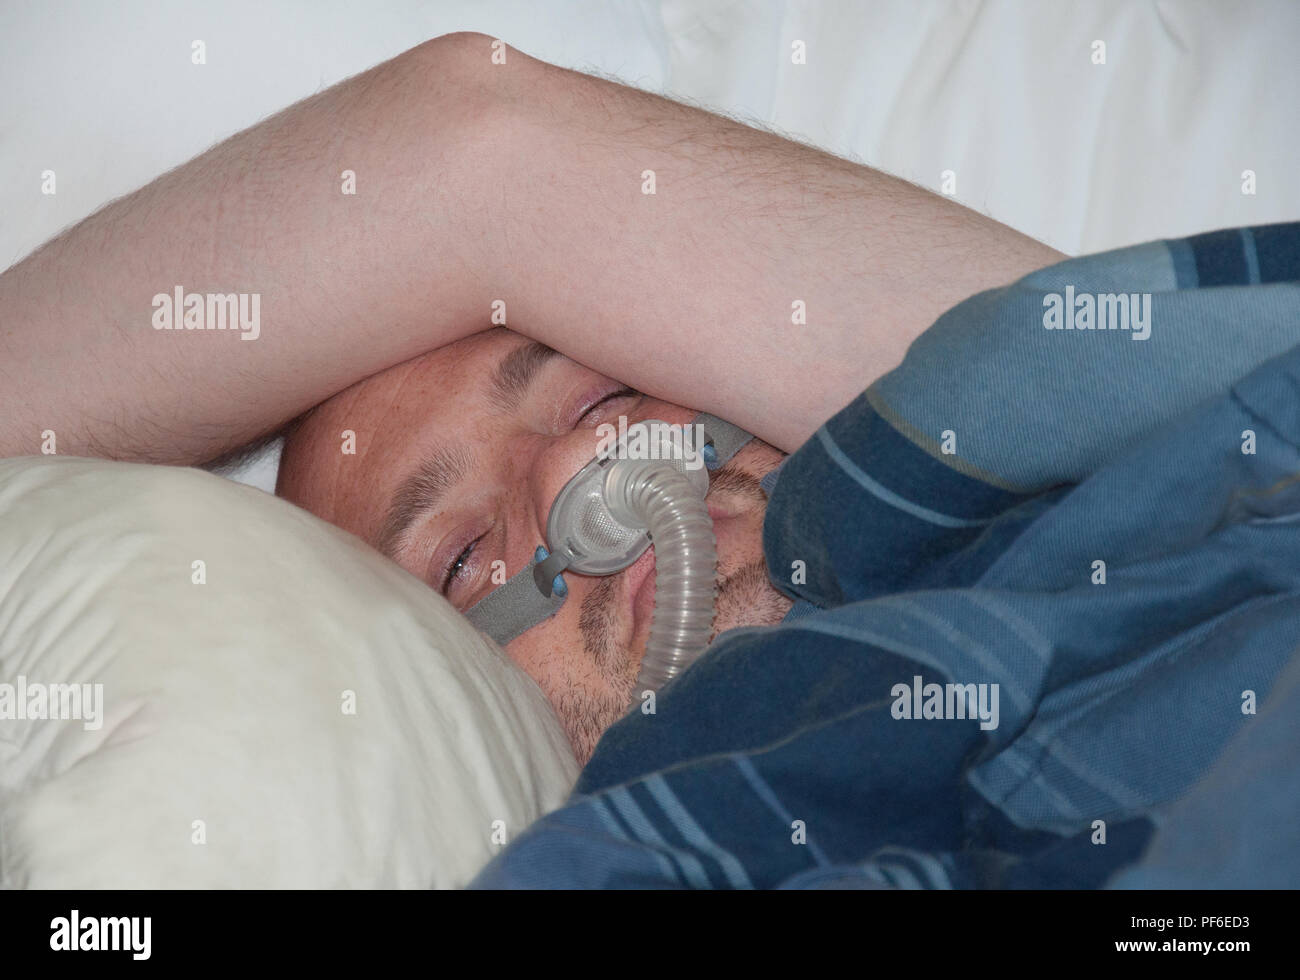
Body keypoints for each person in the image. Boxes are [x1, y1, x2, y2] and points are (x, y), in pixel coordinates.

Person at [0, 32, 1062, 762]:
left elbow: (480, 153)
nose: (572, 472)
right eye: (461, 560)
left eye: (606, 396)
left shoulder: (1133, 461)